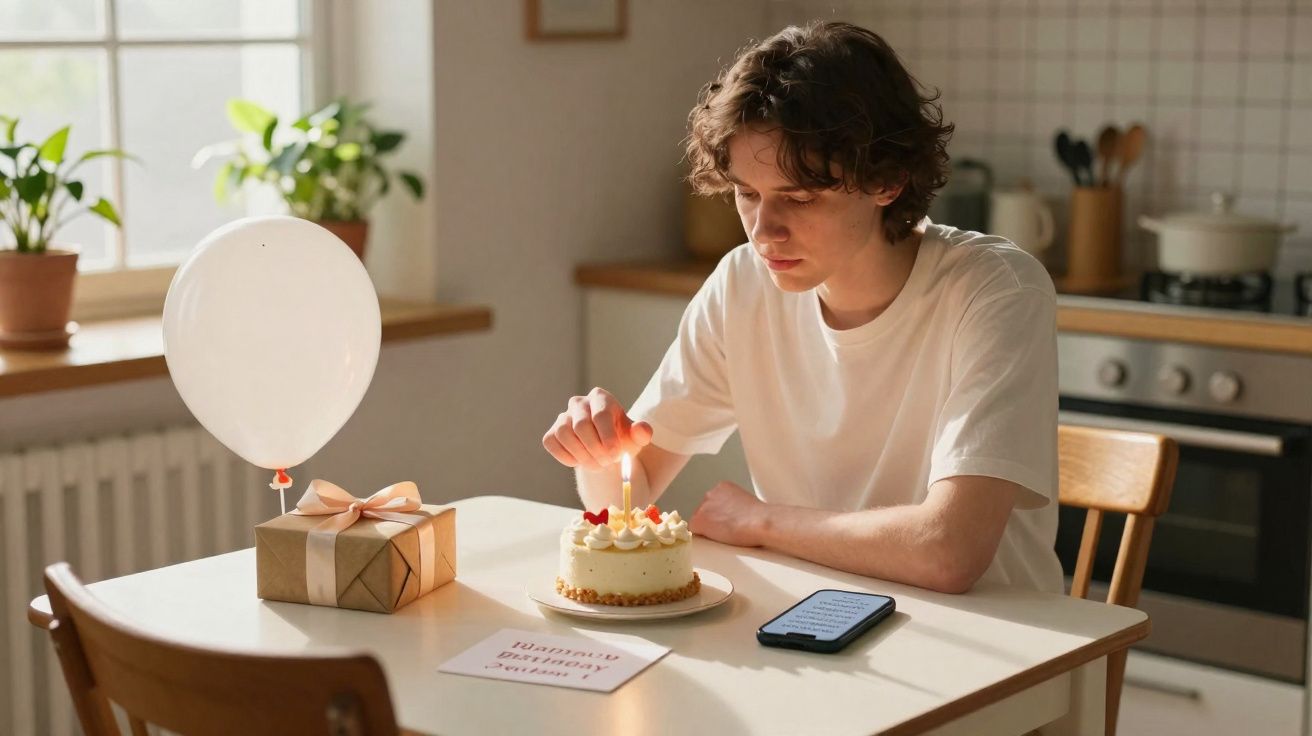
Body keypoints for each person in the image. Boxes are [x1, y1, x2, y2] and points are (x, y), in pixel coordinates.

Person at [542, 21, 1062, 594]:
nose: (764, 231)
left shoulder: (996, 289)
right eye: (747, 194)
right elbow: (630, 491)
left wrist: (763, 522)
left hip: (1001, 650)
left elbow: (948, 552)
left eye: (800, 197)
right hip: (814, 621)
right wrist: (598, 454)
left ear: (886, 179)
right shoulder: (743, 285)